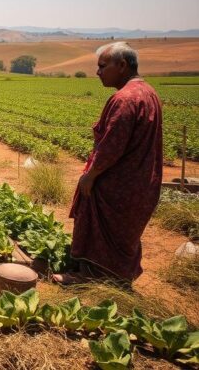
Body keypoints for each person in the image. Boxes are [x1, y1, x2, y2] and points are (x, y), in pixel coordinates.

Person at [54, 42, 162, 285]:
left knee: (98, 230)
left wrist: (90, 175)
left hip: (117, 185)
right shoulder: (149, 93)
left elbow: (112, 145)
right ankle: (117, 279)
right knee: (123, 236)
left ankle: (88, 277)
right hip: (141, 183)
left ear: (122, 65)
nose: (97, 72)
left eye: (103, 66)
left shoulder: (125, 99)